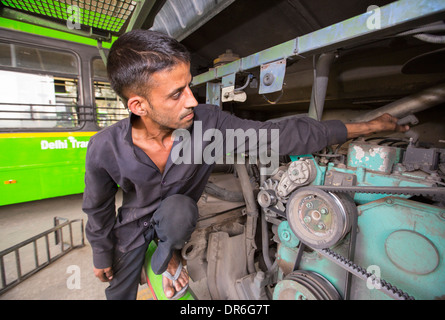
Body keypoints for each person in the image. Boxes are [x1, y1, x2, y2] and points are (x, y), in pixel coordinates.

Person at [82, 29, 409, 300]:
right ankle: (161, 263)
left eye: (190, 87)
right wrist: (100, 253)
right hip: (132, 225)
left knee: (179, 211)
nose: (193, 101)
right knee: (118, 292)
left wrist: (369, 127)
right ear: (139, 105)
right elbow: (97, 208)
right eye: (176, 94)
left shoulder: (207, 125)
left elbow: (279, 135)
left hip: (176, 216)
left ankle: (171, 256)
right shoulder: (103, 147)